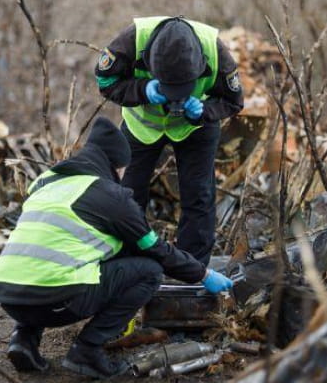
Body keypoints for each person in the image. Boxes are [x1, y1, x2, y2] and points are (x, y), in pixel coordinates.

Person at [0, 117, 233, 379]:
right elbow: (156, 249)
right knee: (148, 271)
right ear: (114, 164)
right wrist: (203, 274)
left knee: (40, 266)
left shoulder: (46, 182)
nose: (122, 175)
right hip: (57, 301)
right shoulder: (110, 196)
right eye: (122, 169)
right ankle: (87, 350)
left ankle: (23, 339)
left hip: (7, 295)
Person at [95, 16, 243, 266]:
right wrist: (142, 90)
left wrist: (205, 110)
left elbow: (234, 101)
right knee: (126, 194)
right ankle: (126, 265)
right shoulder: (131, 41)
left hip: (194, 126)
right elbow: (106, 81)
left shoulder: (216, 52)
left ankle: (192, 268)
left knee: (199, 195)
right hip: (141, 126)